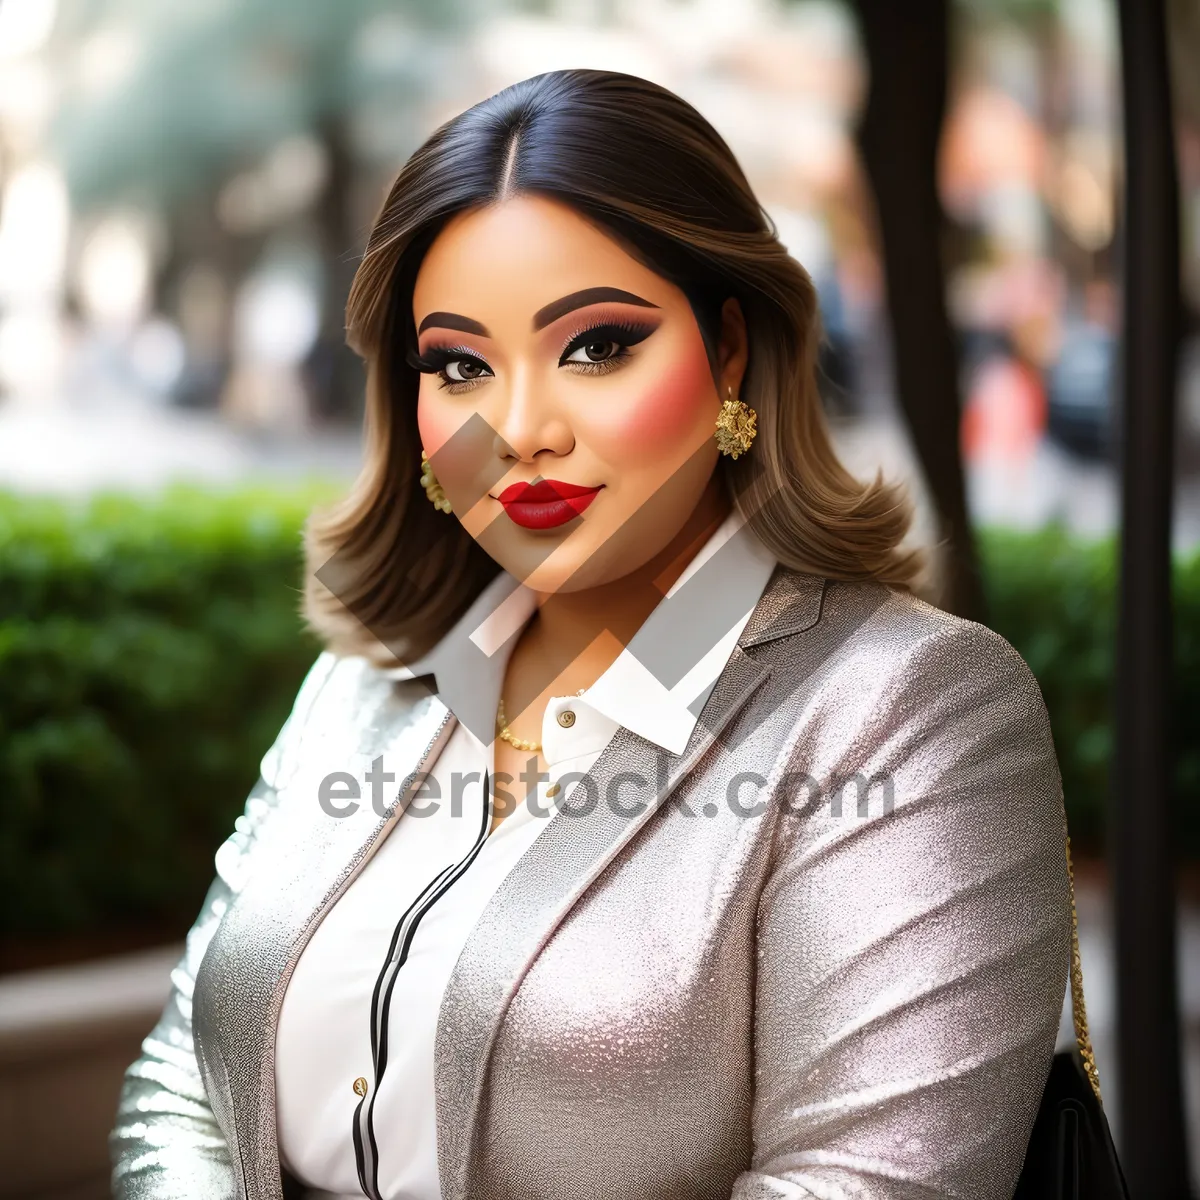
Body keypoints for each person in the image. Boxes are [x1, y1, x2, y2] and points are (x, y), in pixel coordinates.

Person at [110, 69, 1071, 1200]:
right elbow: (182, 1080)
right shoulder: (365, 680)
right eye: (459, 365)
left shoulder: (908, 709)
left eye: (597, 346)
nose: (517, 428)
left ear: (727, 352)